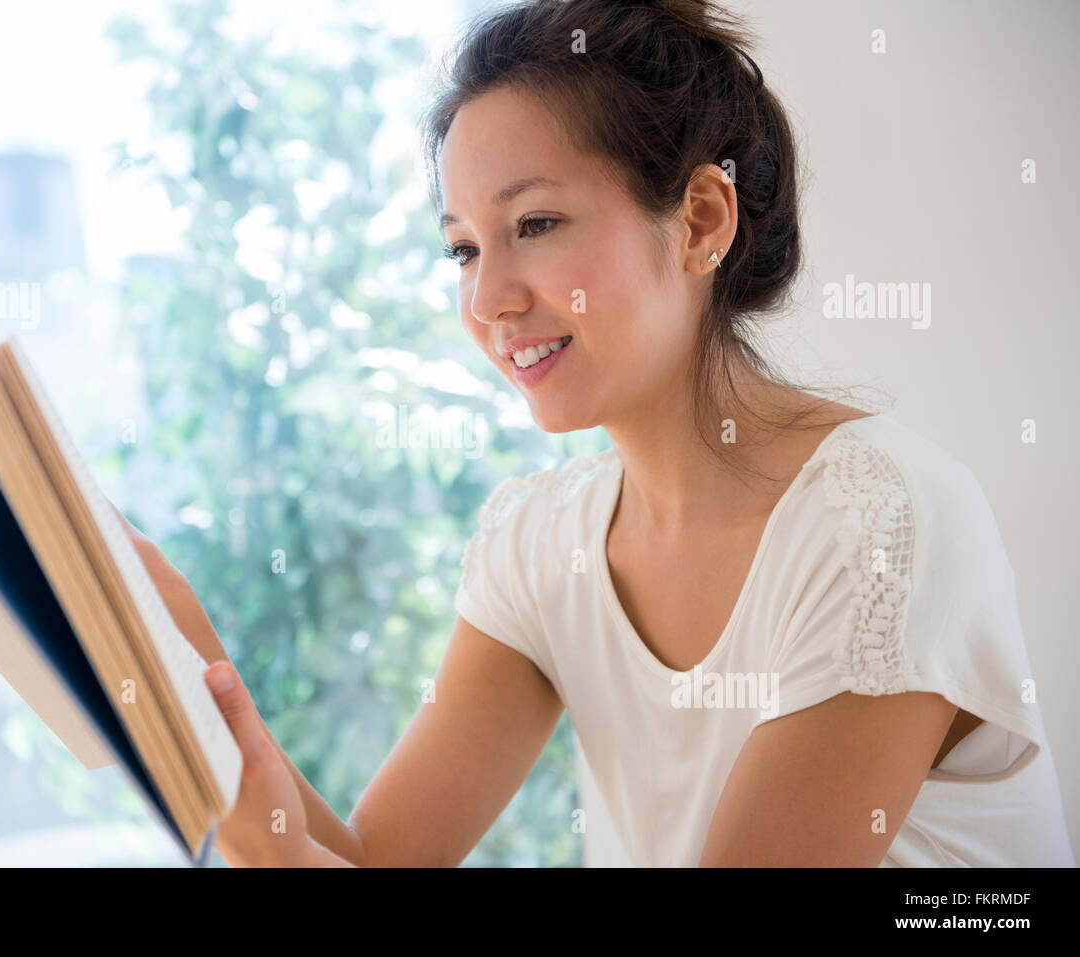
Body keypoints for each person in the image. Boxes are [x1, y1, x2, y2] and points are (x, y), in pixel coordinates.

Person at [123, 0, 1074, 866]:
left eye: (535, 222)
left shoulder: (879, 524)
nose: (488, 299)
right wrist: (196, 677)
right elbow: (377, 860)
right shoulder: (544, 544)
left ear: (702, 220)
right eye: (462, 248)